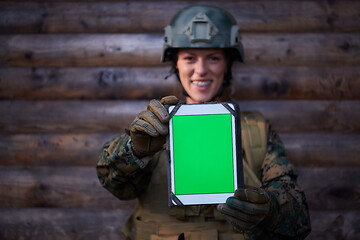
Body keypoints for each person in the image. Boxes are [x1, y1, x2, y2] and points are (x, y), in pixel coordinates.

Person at [96, 5, 311, 240]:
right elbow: (117, 186)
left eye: (214, 58)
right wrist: (134, 150)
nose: (200, 70)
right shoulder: (152, 127)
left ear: (227, 64)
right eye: (189, 58)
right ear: (175, 64)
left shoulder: (255, 130)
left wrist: (268, 208)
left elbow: (296, 210)